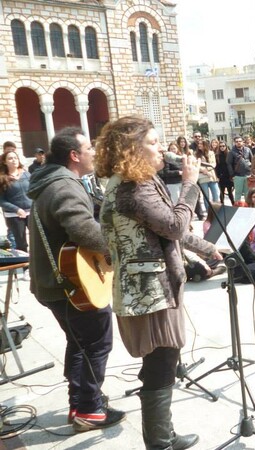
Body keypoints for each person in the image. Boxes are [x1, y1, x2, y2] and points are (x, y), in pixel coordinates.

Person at [96, 117, 219, 448]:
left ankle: (163, 435)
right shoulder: (131, 190)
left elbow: (169, 233)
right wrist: (191, 184)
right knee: (162, 361)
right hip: (149, 292)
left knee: (162, 361)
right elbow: (177, 226)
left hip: (156, 288)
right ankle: (160, 443)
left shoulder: (142, 182)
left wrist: (209, 249)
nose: (161, 147)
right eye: (152, 142)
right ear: (132, 150)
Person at [28, 127, 126, 431]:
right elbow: (84, 231)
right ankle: (89, 410)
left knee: (80, 343)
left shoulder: (49, 183)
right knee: (97, 343)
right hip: (71, 285)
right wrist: (116, 251)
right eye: (89, 149)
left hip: (55, 283)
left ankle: (80, 402)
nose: (94, 153)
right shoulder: (65, 187)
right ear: (74, 155)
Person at [0, 151, 31, 258]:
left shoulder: (26, 174)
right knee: (21, 244)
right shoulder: (2, 178)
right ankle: (26, 269)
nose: (14, 160)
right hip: (14, 215)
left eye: (15, 158)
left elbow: (34, 191)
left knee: (39, 239)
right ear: (4, 162)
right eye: (10, 158)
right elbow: (2, 201)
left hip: (31, 212)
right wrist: (16, 209)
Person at [227, 135, 253, 202]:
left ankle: (248, 208)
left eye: (240, 141)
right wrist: (232, 175)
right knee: (238, 193)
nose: (238, 142)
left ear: (243, 142)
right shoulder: (231, 152)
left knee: (247, 193)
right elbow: (229, 164)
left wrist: (252, 172)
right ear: (234, 142)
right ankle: (237, 208)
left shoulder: (248, 149)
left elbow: (252, 160)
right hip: (238, 176)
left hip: (248, 174)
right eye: (237, 141)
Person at [197, 138, 220, 212]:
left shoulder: (211, 153)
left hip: (212, 176)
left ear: (205, 145)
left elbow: (214, 164)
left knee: (216, 194)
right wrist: (205, 171)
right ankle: (209, 212)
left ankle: (216, 210)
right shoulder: (196, 154)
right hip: (203, 177)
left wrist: (207, 169)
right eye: (199, 144)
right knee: (206, 196)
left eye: (201, 144)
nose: (199, 145)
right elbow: (196, 165)